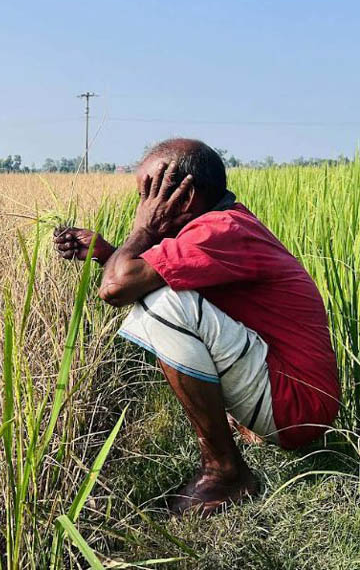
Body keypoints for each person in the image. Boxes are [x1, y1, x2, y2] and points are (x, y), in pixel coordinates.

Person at [55, 138, 340, 515]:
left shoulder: (218, 230)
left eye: (149, 194)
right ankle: (240, 431)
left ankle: (226, 471)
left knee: (161, 304)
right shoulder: (224, 223)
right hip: (293, 392)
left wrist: (143, 229)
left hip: (298, 408)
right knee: (161, 291)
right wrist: (108, 254)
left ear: (185, 198)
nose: (144, 206)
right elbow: (138, 276)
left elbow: (117, 288)